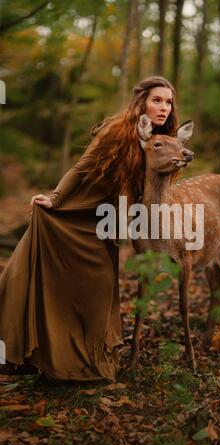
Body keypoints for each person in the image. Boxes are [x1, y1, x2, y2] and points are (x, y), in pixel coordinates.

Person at [0, 76, 181, 382]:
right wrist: (55, 198)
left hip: (105, 220)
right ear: (141, 101)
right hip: (76, 213)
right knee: (62, 281)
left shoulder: (164, 139)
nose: (164, 107)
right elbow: (81, 168)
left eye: (168, 102)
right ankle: (45, 358)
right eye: (157, 100)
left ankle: (85, 364)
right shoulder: (117, 130)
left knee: (99, 289)